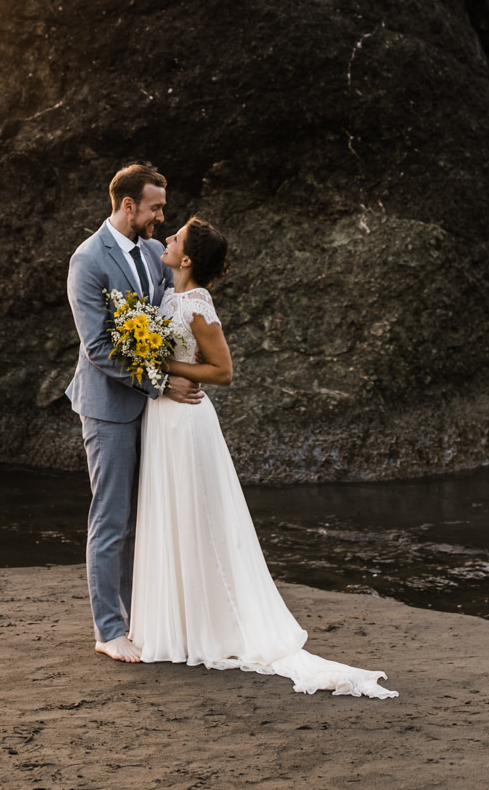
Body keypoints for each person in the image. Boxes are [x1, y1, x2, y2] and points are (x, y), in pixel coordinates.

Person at [128, 215, 397, 698]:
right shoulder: (165, 294)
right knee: (169, 516)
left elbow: (223, 371)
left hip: (187, 423)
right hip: (162, 419)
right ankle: (176, 625)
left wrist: (164, 363)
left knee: (195, 519)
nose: (165, 241)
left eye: (175, 239)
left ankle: (212, 627)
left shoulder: (197, 303)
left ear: (186, 259)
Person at [65, 162, 202, 662]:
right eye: (155, 207)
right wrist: (163, 383)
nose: (161, 217)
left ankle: (141, 617)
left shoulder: (150, 252)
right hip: (108, 410)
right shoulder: (88, 261)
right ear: (128, 205)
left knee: (143, 518)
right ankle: (109, 630)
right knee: (111, 518)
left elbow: (175, 309)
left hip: (149, 409)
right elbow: (99, 347)